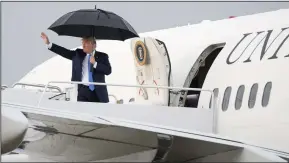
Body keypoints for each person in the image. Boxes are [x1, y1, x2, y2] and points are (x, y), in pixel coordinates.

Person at [40, 32, 112, 103]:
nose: (83, 45)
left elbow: (108, 71)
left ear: (94, 45)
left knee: (96, 113)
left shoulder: (103, 56)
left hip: (97, 92)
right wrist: (49, 44)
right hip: (83, 90)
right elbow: (64, 52)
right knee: (81, 112)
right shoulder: (78, 54)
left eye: (86, 43)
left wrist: (95, 63)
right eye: (83, 43)